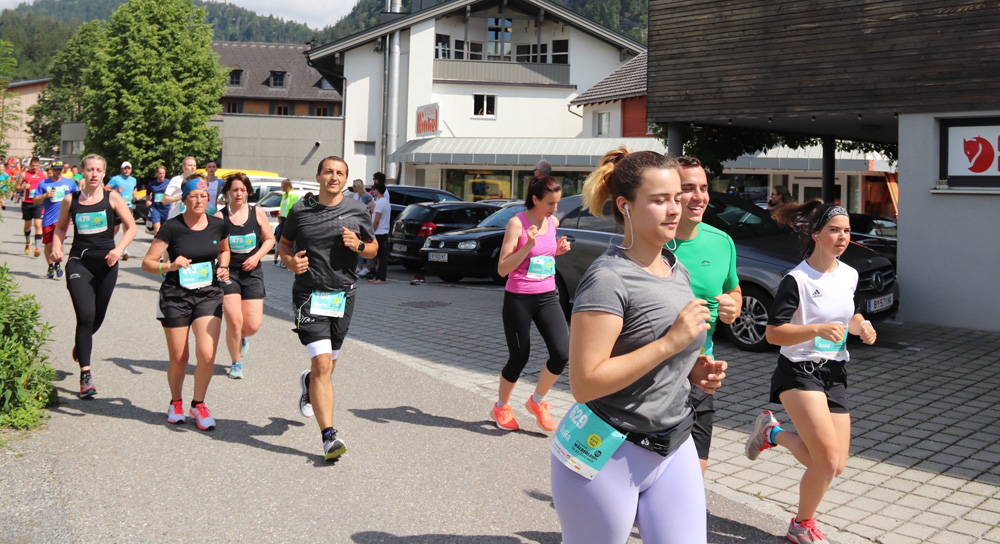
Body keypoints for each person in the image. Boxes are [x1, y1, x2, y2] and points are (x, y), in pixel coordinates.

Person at [549, 148, 726, 544]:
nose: (675, 209)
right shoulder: (608, 278)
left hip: (674, 441)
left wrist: (692, 368)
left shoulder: (675, 268)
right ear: (625, 206)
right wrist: (670, 344)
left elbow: (662, 349)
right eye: (660, 200)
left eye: (677, 197)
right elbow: (585, 383)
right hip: (606, 450)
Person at [744, 200, 877, 544]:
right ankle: (801, 525)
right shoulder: (798, 279)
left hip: (835, 372)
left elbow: (850, 315)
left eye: (847, 231)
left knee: (836, 465)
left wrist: (862, 326)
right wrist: (816, 330)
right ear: (816, 234)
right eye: (834, 230)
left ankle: (772, 433)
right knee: (826, 461)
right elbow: (774, 334)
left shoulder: (849, 275)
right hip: (798, 371)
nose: (842, 237)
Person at [278, 156, 377, 461]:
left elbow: (373, 249)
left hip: (343, 296)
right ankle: (328, 437)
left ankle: (309, 383)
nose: (334, 177)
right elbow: (284, 245)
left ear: (346, 180)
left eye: (340, 173)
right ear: (318, 176)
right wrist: (291, 262)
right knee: (322, 364)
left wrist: (358, 245)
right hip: (309, 295)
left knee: (327, 367)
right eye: (329, 172)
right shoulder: (300, 210)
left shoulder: (358, 210)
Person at [141, 174, 231, 430]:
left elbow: (225, 250)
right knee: (180, 357)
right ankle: (176, 402)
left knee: (207, 354)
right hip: (176, 296)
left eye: (203, 196)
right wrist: (170, 265)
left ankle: (198, 404)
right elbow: (147, 263)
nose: (199, 200)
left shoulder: (218, 224)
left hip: (208, 294)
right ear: (184, 198)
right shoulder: (172, 227)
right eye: (194, 196)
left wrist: (224, 267)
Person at [671, 156, 743, 475]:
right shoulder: (652, 243)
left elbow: (733, 290)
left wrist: (733, 306)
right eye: (688, 188)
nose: (699, 196)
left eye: (703, 187)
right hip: (654, 377)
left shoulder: (721, 242)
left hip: (702, 372)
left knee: (695, 471)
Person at [50, 154, 136, 398]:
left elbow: (131, 227)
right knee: (85, 315)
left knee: (96, 319)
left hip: (107, 264)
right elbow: (60, 228)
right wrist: (57, 247)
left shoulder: (113, 198)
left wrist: (118, 250)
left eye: (99, 170)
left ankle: (82, 342)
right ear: (83, 172)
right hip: (79, 262)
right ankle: (86, 376)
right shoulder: (71, 199)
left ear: (104, 173)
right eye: (90, 170)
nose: (94, 174)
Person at [491, 175, 572, 431]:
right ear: (535, 199)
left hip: (547, 296)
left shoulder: (553, 222)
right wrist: (528, 245)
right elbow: (503, 269)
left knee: (561, 353)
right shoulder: (517, 224)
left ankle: (537, 401)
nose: (555, 209)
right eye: (550, 203)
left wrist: (557, 251)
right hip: (519, 298)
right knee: (519, 357)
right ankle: (501, 406)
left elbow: (544, 258)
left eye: (557, 203)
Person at [216, 172, 275, 379]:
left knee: (252, 325)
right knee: (234, 321)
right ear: (228, 193)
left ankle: (241, 338)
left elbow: (269, 239)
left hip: (252, 273)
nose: (239, 194)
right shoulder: (220, 217)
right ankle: (236, 363)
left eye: (243, 190)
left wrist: (257, 257)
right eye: (235, 190)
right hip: (229, 273)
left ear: (248, 191)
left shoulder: (257, 213)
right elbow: (216, 247)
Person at [34, 161, 79, 279]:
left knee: (60, 241)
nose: (58, 172)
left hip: (63, 218)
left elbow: (76, 198)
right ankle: (50, 266)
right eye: (56, 169)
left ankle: (58, 264)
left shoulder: (69, 183)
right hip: (48, 217)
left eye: (60, 169)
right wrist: (45, 195)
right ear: (51, 170)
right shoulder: (44, 183)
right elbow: (35, 200)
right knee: (49, 244)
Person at [15, 157, 46, 257]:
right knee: (27, 226)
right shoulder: (24, 174)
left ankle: (37, 248)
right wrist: (23, 187)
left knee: (38, 225)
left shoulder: (43, 174)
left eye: (37, 166)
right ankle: (28, 242)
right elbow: (17, 187)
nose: (35, 168)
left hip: (39, 203)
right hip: (27, 203)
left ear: (39, 165)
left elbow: (48, 185)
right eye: (33, 166)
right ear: (30, 165)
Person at [106, 161, 138, 260]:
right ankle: (107, 245)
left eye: (128, 168)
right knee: (115, 228)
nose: (127, 170)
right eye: (125, 168)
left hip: (128, 205)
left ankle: (124, 250)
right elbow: (106, 189)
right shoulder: (116, 179)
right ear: (121, 169)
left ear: (131, 170)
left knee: (127, 227)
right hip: (117, 206)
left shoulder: (133, 180)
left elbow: (134, 188)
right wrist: (116, 191)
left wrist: (135, 195)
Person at [273, 179, 299, 268]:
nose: (281, 187)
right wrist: (280, 216)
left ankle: (287, 259)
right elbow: (282, 206)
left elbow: (293, 207)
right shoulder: (285, 194)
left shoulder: (293, 195)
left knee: (286, 237)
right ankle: (282, 258)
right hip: (283, 218)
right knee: (280, 237)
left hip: (289, 218)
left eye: (282, 185)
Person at [369, 181, 391, 284]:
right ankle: (378, 277)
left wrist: (372, 231)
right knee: (379, 255)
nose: (374, 191)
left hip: (379, 232)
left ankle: (382, 278)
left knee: (381, 256)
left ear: (377, 190)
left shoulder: (380, 203)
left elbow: (377, 220)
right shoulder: (385, 202)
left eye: (374, 189)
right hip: (384, 231)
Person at [350, 179, 373, 277]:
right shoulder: (355, 195)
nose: (353, 188)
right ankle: (359, 266)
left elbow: (372, 205)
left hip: (364, 221)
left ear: (359, 187)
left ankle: (368, 266)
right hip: (356, 221)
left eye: (354, 186)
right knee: (358, 244)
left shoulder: (366, 196)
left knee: (365, 243)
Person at [146, 165, 171, 234]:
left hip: (166, 208)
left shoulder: (169, 182)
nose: (162, 175)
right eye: (160, 173)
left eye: (163, 173)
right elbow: (147, 194)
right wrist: (148, 201)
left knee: (165, 230)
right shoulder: (152, 184)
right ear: (156, 174)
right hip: (155, 208)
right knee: (157, 230)